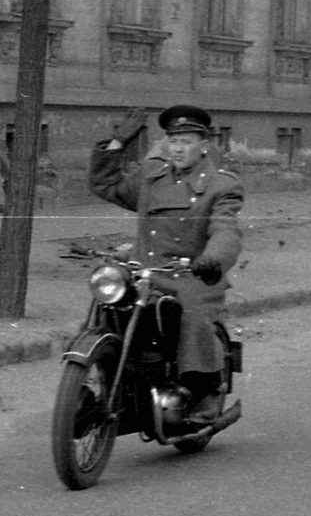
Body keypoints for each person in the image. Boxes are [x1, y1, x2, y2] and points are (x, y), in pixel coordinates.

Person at [88, 105, 243, 424]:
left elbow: (225, 229)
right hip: (146, 272)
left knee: (193, 315)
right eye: (173, 141)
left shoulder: (221, 186)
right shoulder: (151, 177)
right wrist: (118, 144)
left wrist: (213, 259)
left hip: (193, 275)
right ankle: (95, 377)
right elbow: (106, 186)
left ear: (204, 145)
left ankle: (206, 390)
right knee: (107, 303)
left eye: (186, 141)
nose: (178, 148)